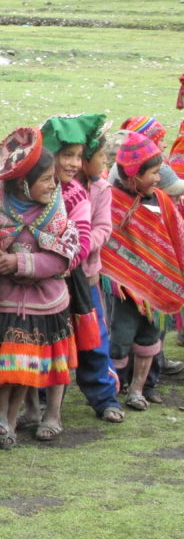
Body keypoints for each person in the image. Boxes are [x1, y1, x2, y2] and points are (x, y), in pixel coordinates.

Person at [0, 127, 79, 448]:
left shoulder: (55, 209)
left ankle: (9, 418)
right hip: (6, 300)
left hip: (44, 301)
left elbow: (64, 257)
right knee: (9, 360)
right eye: (47, 179)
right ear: (23, 183)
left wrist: (21, 264)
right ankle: (3, 415)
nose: (55, 184)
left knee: (25, 363)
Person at [38, 114, 122, 425]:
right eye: (68, 155)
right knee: (50, 341)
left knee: (93, 341)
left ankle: (104, 397)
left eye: (80, 156)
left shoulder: (94, 190)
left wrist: (73, 247)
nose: (74, 162)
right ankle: (42, 401)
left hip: (85, 277)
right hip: (47, 283)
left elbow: (100, 228)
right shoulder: (39, 188)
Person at [100, 131, 184, 410]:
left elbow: (177, 237)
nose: (159, 178)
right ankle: (116, 387)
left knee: (150, 338)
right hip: (123, 289)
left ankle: (138, 389)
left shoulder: (161, 200)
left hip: (158, 287)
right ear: (134, 175)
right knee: (120, 339)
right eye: (154, 172)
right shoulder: (110, 200)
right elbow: (107, 243)